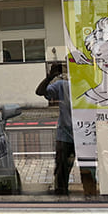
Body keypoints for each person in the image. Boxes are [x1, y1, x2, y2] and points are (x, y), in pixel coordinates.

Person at [36, 62, 75, 195]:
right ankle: (61, 193)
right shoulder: (63, 85)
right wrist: (49, 77)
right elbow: (40, 92)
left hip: (86, 134)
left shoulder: (90, 85)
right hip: (65, 134)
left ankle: (89, 192)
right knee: (61, 170)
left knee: (88, 169)